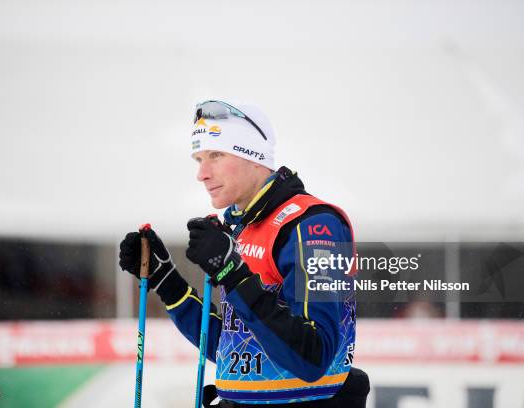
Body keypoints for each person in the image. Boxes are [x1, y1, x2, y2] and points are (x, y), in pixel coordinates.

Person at [119, 100, 370, 407]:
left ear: (254, 156)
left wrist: (233, 274)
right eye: (198, 159)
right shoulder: (240, 228)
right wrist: (166, 280)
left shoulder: (312, 225)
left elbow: (313, 356)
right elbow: (234, 346)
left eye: (216, 155)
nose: (202, 173)